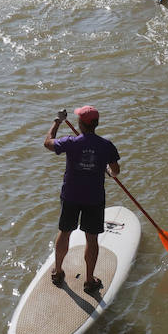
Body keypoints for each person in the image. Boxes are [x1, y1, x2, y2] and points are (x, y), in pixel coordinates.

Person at [42, 106, 121, 293]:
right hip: (94, 199)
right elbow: (115, 171)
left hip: (71, 196)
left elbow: (47, 143)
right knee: (91, 239)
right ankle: (89, 281)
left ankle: (58, 271)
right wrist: (110, 172)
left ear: (80, 123)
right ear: (96, 124)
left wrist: (57, 121)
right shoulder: (106, 145)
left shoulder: (71, 142)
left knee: (65, 232)